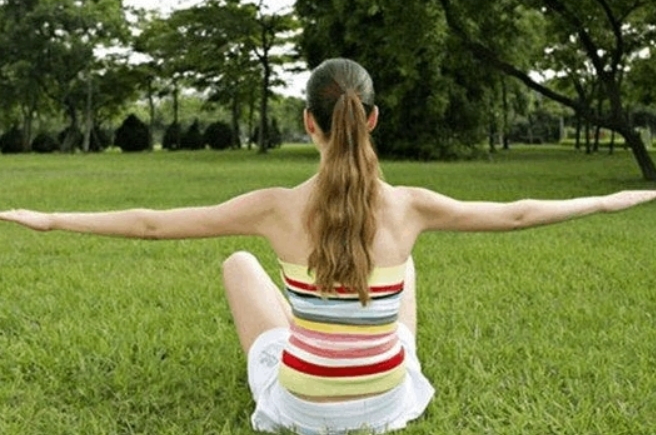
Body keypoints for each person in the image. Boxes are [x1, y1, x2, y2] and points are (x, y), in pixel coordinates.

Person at [1, 58, 655, 434]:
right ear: (371, 118)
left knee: (238, 261)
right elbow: (515, 214)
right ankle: (355, 346)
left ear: (308, 123)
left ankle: (323, 338)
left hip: (302, 404)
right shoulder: (410, 207)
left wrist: (52, 219)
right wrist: (608, 200)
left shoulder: (275, 207)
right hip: (388, 401)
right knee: (403, 269)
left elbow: (151, 223)